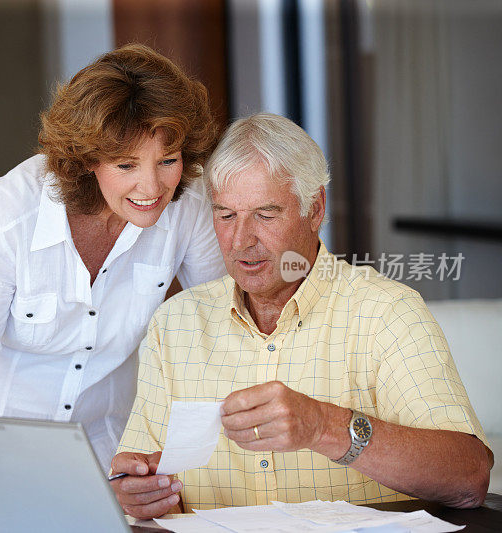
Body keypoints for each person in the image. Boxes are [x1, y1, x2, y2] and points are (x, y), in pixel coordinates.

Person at [0, 44, 226, 523]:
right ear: (87, 159)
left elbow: (222, 322)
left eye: (167, 160)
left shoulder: (188, 205)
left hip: (102, 434)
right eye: (126, 165)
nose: (152, 188)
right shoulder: (9, 213)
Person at [110, 112, 494, 519]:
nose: (241, 240)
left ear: (315, 208)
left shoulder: (386, 312)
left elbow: (469, 479)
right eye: (225, 215)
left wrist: (323, 426)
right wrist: (138, 491)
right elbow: (138, 472)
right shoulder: (175, 324)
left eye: (266, 214)